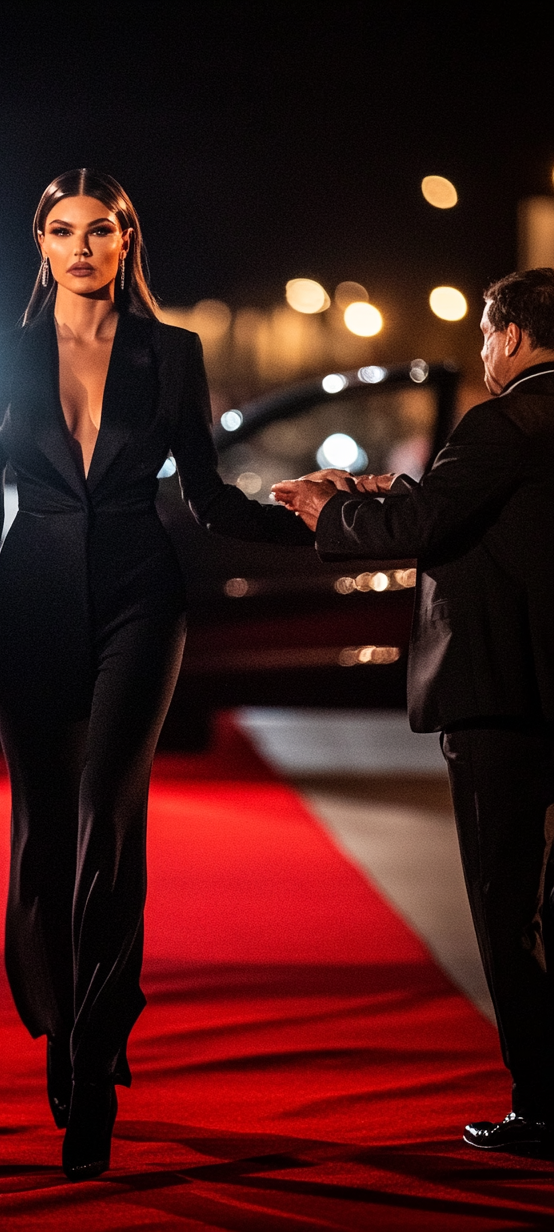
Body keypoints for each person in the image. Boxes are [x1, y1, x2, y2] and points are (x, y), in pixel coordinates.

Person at [0, 169, 312, 1179]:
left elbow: (205, 492)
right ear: (39, 243)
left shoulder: (171, 352)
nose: (80, 245)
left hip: (144, 599)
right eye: (61, 229)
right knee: (43, 832)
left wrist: (321, 519)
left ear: (125, 242)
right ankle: (60, 1024)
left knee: (112, 815)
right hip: (25, 601)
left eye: (98, 229)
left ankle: (100, 1053)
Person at [272, 267, 554, 1152]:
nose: (481, 352)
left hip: (502, 694)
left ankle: (542, 1105)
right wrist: (394, 497)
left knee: (506, 904)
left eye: (483, 335)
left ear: (509, 335)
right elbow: (472, 513)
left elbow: (419, 532)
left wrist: (325, 509)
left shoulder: (504, 419)